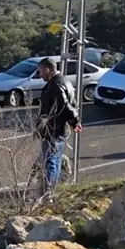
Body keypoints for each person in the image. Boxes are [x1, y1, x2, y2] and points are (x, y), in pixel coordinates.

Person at [35, 58, 82, 197]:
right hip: (59, 128)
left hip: (54, 129)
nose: (39, 75)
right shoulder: (65, 81)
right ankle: (50, 192)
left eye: (40, 71)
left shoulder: (56, 85)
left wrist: (75, 120)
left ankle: (47, 194)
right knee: (55, 159)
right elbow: (73, 104)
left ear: (47, 69)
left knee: (50, 161)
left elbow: (65, 106)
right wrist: (74, 121)